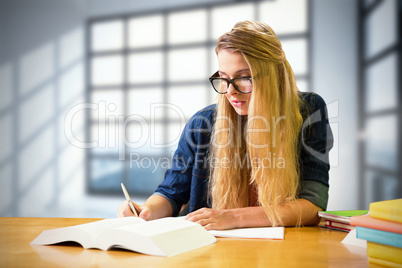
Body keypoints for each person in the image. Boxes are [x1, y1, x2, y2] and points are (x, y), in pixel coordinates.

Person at [117, 20, 333, 230]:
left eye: (244, 78)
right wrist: (147, 211)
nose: (230, 91)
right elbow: (171, 194)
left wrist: (234, 217)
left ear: (274, 76)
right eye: (223, 78)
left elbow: (313, 206)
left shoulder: (308, 111)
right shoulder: (202, 123)